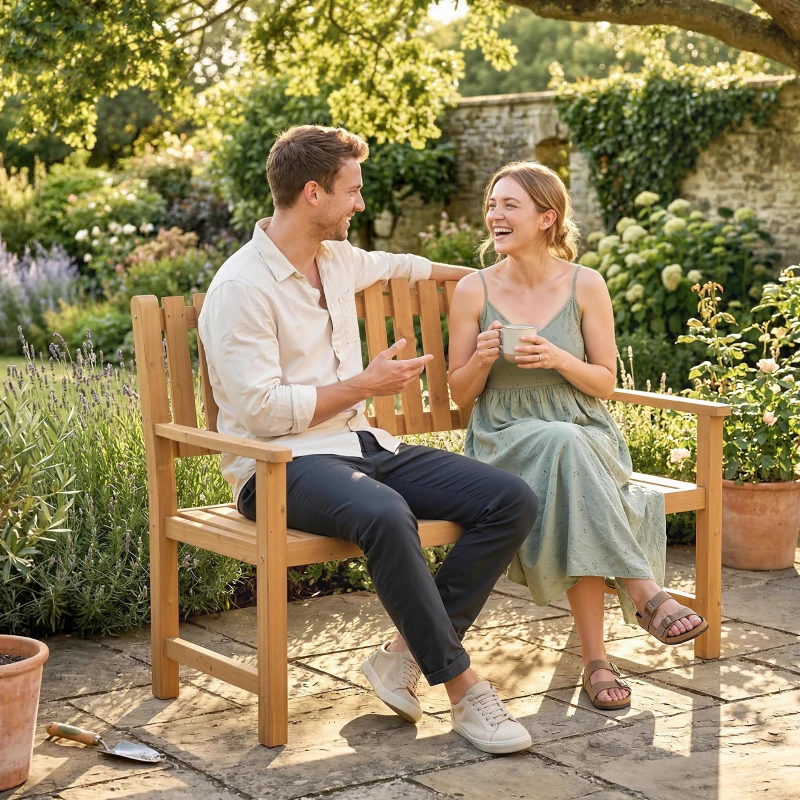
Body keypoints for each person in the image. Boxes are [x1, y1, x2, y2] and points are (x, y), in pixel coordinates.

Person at [198, 126, 540, 754]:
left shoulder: (335, 259)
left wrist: (510, 280)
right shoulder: (241, 288)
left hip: (361, 448)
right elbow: (264, 412)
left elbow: (410, 266)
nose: (359, 203)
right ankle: (464, 690)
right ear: (312, 193)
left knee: (511, 499)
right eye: (352, 191)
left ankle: (403, 655)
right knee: (387, 513)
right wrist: (365, 383)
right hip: (278, 467)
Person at [447, 161, 707, 711]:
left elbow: (605, 385)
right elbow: (458, 395)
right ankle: (641, 594)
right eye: (492, 204)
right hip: (503, 437)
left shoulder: (586, 284)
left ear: (547, 217)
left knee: (568, 457)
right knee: (564, 450)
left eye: (509, 205)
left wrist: (560, 358)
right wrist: (483, 358)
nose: (495, 214)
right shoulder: (473, 290)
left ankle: (595, 659)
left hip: (586, 433)